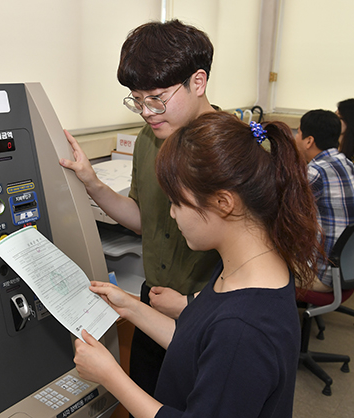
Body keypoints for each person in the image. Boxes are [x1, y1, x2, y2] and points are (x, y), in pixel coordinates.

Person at [73, 112, 323, 417]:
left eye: (177, 203)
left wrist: (110, 376)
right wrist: (131, 307)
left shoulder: (243, 329)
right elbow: (196, 343)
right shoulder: (244, 267)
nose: (172, 214)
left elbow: (225, 344)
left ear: (223, 203)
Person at [59, 20, 221, 397]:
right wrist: (92, 183)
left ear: (198, 82)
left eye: (157, 98)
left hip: (207, 308)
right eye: (137, 99)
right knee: (147, 397)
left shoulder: (235, 151)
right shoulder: (149, 139)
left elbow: (259, 263)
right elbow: (142, 221)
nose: (146, 111)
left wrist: (192, 304)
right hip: (154, 301)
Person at [294, 109, 354, 292]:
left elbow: (284, 210)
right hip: (348, 268)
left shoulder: (316, 171)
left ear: (309, 141)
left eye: (298, 132)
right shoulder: (346, 162)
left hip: (323, 275)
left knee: (260, 257)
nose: (295, 137)